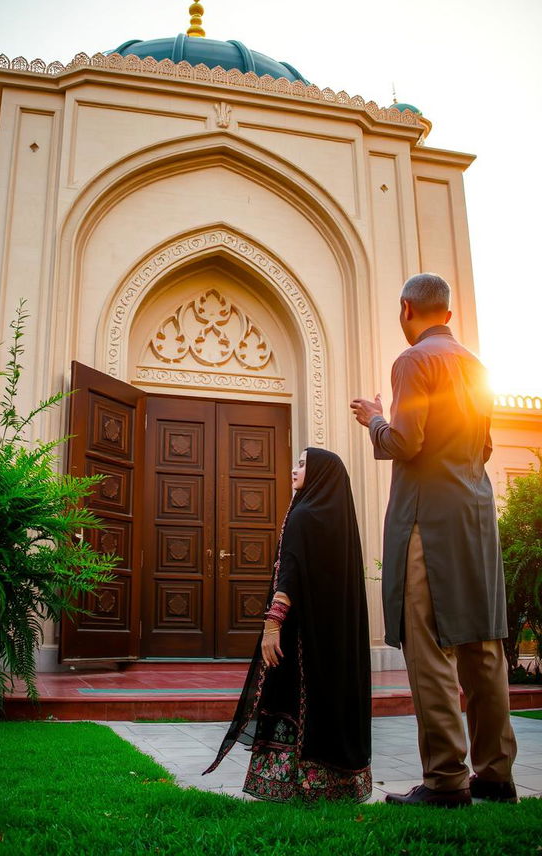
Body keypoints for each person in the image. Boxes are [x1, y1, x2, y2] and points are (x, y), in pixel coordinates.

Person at [350, 272, 517, 808]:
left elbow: (405, 441)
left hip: (429, 521)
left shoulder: (413, 361)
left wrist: (374, 419)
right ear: (446, 310)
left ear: (407, 309)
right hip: (475, 514)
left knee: (430, 650)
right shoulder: (478, 367)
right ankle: (495, 775)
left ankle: (446, 780)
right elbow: (485, 447)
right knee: (482, 646)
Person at [203, 447, 372, 802]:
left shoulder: (304, 516)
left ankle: (294, 785)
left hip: (300, 639)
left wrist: (272, 624)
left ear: (321, 474)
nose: (293, 470)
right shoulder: (339, 521)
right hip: (334, 640)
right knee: (328, 703)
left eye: (301, 465)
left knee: (294, 699)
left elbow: (290, 572)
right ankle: (337, 788)